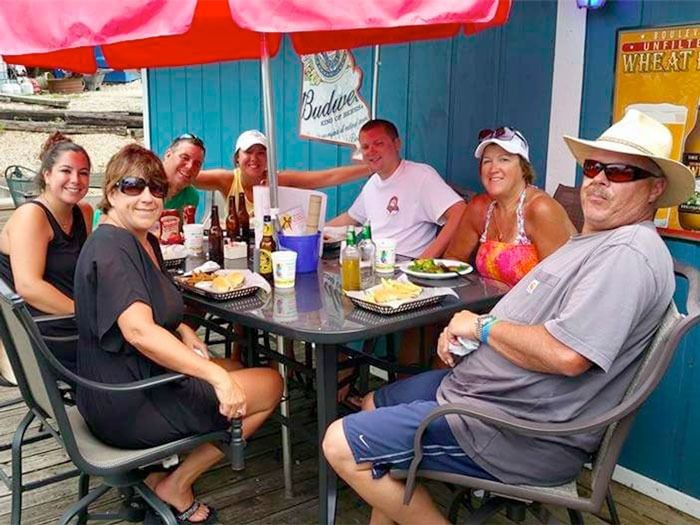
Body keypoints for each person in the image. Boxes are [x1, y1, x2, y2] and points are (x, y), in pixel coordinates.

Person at [321, 109, 694, 524]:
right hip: (487, 394)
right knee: (372, 403)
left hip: (513, 429)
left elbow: (569, 355)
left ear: (655, 189)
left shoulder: (626, 255)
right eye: (593, 166)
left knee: (339, 442)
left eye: (622, 172)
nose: (599, 180)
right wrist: (474, 334)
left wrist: (483, 326)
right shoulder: (598, 240)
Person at [74, 144, 283, 523]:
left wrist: (183, 327)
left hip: (121, 382)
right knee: (270, 384)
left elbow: (151, 310)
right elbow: (139, 331)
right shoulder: (111, 247)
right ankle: (176, 482)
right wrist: (215, 378)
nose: (148, 197)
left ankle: (168, 466)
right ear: (111, 192)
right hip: (127, 401)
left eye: (156, 188)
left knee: (235, 364)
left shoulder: (141, 238)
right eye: (133, 186)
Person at [0, 132, 93, 373]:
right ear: (47, 175)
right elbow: (29, 286)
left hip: (70, 319)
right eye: (66, 171)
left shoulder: (83, 212)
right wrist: (87, 314)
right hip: (42, 332)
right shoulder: (32, 216)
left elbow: (83, 268)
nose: (76, 179)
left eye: (83, 173)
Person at [444, 127, 576, 286]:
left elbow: (559, 283)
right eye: (487, 161)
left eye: (504, 159)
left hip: (534, 308)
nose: (493, 169)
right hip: (485, 306)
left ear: (523, 169)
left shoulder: (540, 209)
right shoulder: (480, 207)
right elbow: (453, 259)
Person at [327, 119, 466, 258]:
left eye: (378, 143)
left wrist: (424, 262)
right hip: (373, 265)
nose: (371, 151)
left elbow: (459, 211)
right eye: (365, 147)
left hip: (405, 268)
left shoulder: (421, 176)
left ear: (397, 144)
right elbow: (350, 218)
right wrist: (315, 231)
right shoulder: (373, 182)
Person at [195, 129, 372, 215]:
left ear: (268, 159)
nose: (254, 159)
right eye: (248, 152)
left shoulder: (279, 179)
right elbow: (188, 176)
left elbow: (326, 177)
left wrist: (371, 168)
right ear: (237, 158)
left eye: (261, 153)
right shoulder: (227, 179)